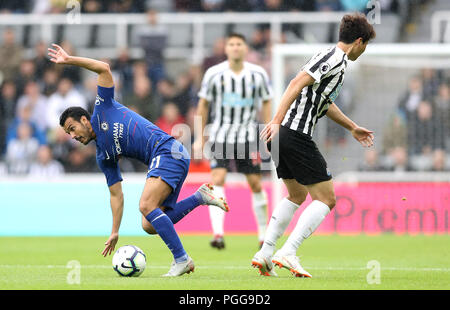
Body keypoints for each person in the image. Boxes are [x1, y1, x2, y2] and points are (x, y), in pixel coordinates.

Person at [47, 43, 229, 277]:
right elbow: (116, 194)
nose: (73, 136)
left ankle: (182, 259)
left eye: (72, 128)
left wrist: (69, 59)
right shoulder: (103, 155)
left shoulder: (104, 107)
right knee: (149, 224)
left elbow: (103, 68)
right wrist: (115, 231)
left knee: (145, 205)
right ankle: (199, 197)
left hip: (167, 150)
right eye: (68, 134)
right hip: (169, 157)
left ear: (84, 119)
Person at [251, 13, 376, 277]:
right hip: (294, 133)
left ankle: (265, 253)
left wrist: (352, 127)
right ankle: (289, 251)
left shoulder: (336, 63)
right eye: (365, 46)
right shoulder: (332, 58)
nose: (364, 52)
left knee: (296, 195)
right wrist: (275, 119)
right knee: (327, 199)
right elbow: (296, 82)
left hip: (283, 135)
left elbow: (323, 102)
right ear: (359, 42)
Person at [194, 33, 272, 249]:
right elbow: (203, 105)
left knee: (255, 183)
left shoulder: (257, 74)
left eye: (239, 44)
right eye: (231, 44)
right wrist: (199, 138)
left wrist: (268, 129)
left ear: (245, 49)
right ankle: (217, 234)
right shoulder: (214, 74)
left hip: (248, 137)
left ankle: (263, 235)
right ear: (226, 49)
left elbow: (266, 101)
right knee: (217, 178)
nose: (235, 47)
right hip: (221, 136)